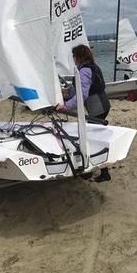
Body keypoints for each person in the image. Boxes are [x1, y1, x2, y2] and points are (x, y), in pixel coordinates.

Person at [56, 44, 112, 182]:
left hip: (97, 107)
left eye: (74, 56)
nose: (73, 59)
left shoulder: (85, 70)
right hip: (102, 104)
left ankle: (101, 172)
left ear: (79, 57)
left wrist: (66, 107)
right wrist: (67, 92)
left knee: (93, 139)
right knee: (94, 137)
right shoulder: (90, 66)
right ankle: (96, 169)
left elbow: (83, 94)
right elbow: (79, 87)